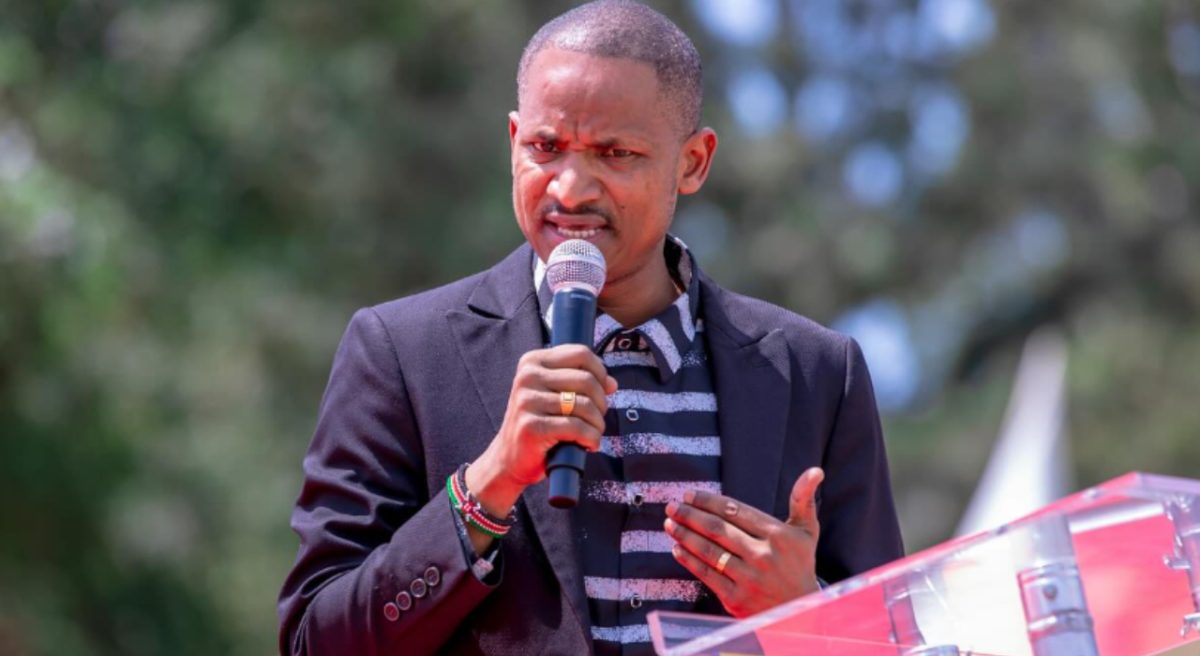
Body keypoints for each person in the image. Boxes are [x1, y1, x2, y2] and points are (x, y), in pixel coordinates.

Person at [277, 1, 903, 654]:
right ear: (513, 140)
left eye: (615, 153)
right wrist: (487, 486)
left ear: (692, 162)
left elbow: (897, 638)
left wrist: (801, 612)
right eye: (545, 148)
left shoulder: (816, 374)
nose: (570, 188)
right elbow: (316, 641)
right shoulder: (404, 354)